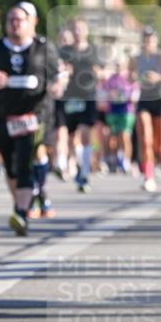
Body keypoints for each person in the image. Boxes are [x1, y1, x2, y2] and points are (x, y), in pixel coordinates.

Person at [0, 2, 63, 236]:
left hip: (35, 115)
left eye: (19, 20)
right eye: (10, 19)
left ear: (30, 23)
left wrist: (57, 86)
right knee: (10, 167)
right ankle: (23, 204)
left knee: (24, 162)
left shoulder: (43, 48)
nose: (14, 24)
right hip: (4, 115)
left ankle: (22, 212)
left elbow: (58, 75)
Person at [55, 17, 103, 193]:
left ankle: (84, 171)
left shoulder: (94, 51)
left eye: (80, 29)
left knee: (85, 133)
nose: (77, 32)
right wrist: (63, 73)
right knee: (69, 136)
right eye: (74, 29)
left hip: (87, 96)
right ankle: (70, 164)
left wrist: (98, 74)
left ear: (87, 31)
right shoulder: (64, 51)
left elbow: (102, 70)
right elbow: (58, 69)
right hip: (69, 97)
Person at [130, 28, 161, 192]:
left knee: (159, 144)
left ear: (155, 41)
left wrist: (159, 77)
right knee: (145, 140)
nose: (148, 43)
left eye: (150, 40)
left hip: (160, 100)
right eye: (145, 40)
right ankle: (148, 177)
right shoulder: (136, 59)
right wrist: (133, 77)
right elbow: (129, 77)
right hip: (144, 100)